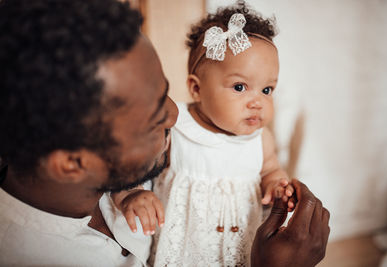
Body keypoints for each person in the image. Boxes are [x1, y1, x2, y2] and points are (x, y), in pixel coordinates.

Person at [0, 0, 329, 266]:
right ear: (73, 162)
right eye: (153, 113)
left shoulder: (109, 172)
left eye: (165, 94)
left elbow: (269, 168)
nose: (176, 115)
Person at [112, 3, 312, 266]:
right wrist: (132, 193)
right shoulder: (177, 126)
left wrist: (276, 186)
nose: (257, 102)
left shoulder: (260, 139)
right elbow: (133, 165)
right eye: (240, 87)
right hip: (184, 249)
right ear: (197, 88)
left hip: (239, 246)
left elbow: (270, 170)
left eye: (267, 90)